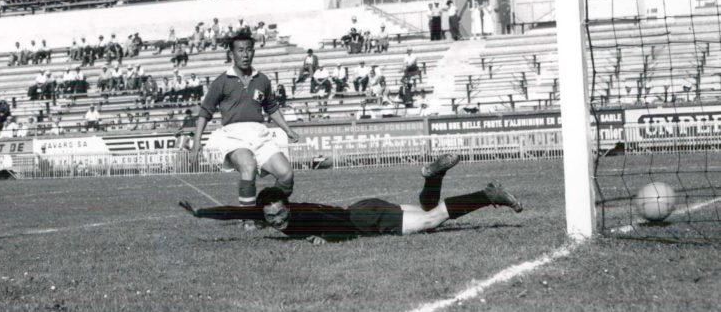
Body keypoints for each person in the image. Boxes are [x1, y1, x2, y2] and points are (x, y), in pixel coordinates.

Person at [179, 155, 522, 243]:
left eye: (280, 214)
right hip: (363, 207)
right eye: (271, 218)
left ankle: (487, 195)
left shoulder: (303, 217)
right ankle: (433, 176)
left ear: (288, 206)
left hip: (364, 219)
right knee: (427, 209)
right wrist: (201, 213)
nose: (277, 221)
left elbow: (340, 228)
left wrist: (325, 238)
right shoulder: (269, 211)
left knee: (431, 220)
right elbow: (232, 211)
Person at [179, 29, 300, 228]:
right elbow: (205, 113)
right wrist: (196, 144)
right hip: (233, 136)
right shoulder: (221, 81)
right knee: (248, 166)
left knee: (286, 174)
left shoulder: (262, 80)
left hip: (259, 134)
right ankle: (248, 220)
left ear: (254, 52)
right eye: (240, 50)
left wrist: (288, 130)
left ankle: (265, 212)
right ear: (232, 53)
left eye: (249, 50)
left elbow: (271, 108)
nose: (245, 54)